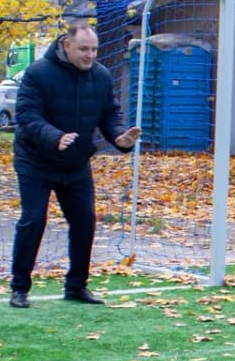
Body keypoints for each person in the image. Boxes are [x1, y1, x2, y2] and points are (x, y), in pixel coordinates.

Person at [8, 24, 141, 308]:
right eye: (83, 49)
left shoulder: (102, 76)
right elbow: (27, 116)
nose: (90, 55)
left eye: (93, 49)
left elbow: (110, 115)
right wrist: (54, 137)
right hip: (36, 161)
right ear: (66, 45)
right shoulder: (38, 73)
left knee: (84, 221)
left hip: (76, 163)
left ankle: (76, 286)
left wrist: (121, 137)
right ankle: (19, 287)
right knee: (33, 219)